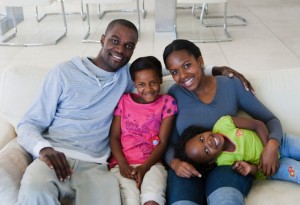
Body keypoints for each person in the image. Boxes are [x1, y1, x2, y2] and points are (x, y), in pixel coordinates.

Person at [15, 17, 253, 204]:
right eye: (115, 41)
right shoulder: (63, 72)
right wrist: (43, 149)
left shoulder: (127, 78)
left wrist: (218, 69)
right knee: (35, 193)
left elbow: (171, 73)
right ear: (102, 39)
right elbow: (27, 124)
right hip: (54, 157)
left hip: (97, 167)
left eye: (128, 46)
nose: (120, 49)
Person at [162, 39, 282, 205]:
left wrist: (272, 144)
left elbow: (270, 120)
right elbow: (169, 143)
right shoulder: (174, 94)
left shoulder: (232, 85)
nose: (182, 76)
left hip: (228, 165)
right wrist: (175, 163)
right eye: (174, 72)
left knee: (226, 200)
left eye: (187, 65)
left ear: (200, 61)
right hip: (188, 168)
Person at [109, 56, 178, 205]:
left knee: (152, 200)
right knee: (130, 201)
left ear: (161, 79)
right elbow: (114, 137)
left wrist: (145, 167)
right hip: (121, 165)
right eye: (141, 84)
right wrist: (122, 164)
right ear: (134, 84)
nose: (148, 89)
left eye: (153, 82)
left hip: (152, 164)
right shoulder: (124, 101)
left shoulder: (167, 102)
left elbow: (163, 141)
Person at [175, 115, 300, 184]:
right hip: (271, 168)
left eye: (202, 139)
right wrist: (250, 168)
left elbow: (258, 125)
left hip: (281, 143)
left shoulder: (223, 124)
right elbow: (254, 169)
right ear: (211, 161)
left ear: (201, 132)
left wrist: (269, 149)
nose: (209, 142)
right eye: (206, 151)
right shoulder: (224, 162)